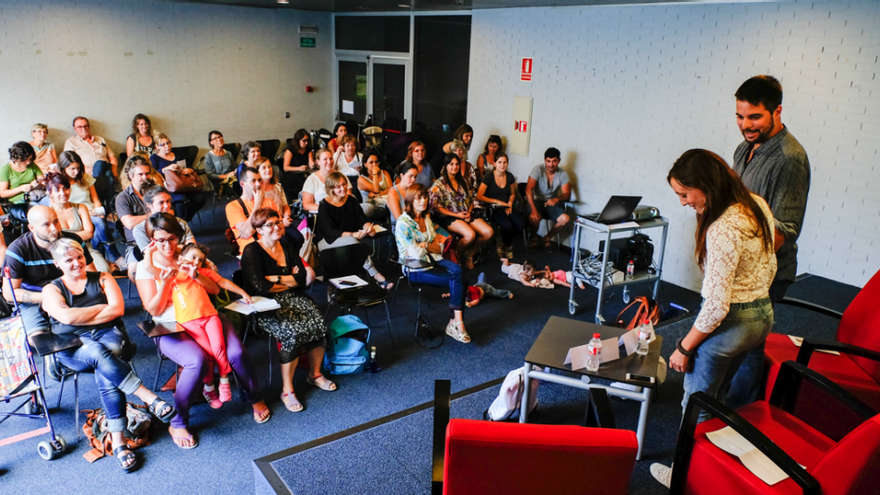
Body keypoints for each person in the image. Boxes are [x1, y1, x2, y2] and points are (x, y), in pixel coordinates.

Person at [650, 149, 778, 487]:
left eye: (684, 194)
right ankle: (718, 472)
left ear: (704, 185)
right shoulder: (756, 204)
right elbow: (770, 260)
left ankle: (685, 478)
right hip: (762, 315)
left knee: (697, 405)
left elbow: (716, 307)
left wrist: (684, 347)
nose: (682, 202)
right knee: (724, 399)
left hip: (731, 324)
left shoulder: (721, 228)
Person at [136, 213, 270, 448]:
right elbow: (154, 309)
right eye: (160, 240)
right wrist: (166, 283)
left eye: (172, 238)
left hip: (203, 315)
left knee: (236, 353)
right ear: (151, 240)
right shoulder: (146, 266)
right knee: (196, 361)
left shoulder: (191, 255)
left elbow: (215, 290)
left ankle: (254, 398)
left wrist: (195, 273)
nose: (167, 245)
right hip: (168, 325)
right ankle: (177, 422)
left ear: (179, 236)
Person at [41, 238, 175, 471]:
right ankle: (148, 397)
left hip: (109, 337)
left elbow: (118, 309)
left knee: (104, 361)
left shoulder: (104, 277)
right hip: (72, 348)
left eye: (80, 257)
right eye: (69, 260)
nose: (77, 263)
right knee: (97, 353)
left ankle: (120, 444)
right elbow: (67, 319)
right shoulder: (51, 289)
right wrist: (100, 310)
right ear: (57, 264)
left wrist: (78, 314)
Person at [724, 75, 813, 412]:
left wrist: (738, 261)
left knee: (748, 346)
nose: (745, 125)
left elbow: (782, 231)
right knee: (735, 341)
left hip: (768, 271)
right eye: (739, 116)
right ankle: (729, 404)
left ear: (777, 111)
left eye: (754, 117)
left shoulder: (790, 159)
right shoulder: (745, 147)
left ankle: (740, 416)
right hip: (739, 264)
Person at [241, 208, 335, 412]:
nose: (277, 227)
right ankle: (287, 390)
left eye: (278, 222)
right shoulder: (251, 251)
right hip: (264, 304)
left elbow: (301, 279)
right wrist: (288, 280)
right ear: (259, 230)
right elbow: (259, 286)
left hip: (293, 297)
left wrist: (275, 278)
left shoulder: (288, 246)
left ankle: (315, 374)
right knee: (291, 334)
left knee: (319, 324)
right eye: (270, 225)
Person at [143, 242, 252, 404]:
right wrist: (149, 252)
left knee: (219, 348)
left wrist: (242, 292)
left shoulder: (203, 272)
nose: (196, 262)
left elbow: (222, 283)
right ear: (180, 259)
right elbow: (150, 268)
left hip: (210, 317)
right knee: (208, 354)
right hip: (189, 322)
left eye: (200, 260)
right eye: (193, 257)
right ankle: (209, 388)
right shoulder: (172, 274)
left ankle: (223, 381)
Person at [2, 206, 96, 335]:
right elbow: (9, 293)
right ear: (32, 228)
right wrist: (51, 298)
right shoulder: (18, 250)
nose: (54, 229)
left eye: (56, 221)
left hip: (72, 292)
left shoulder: (73, 240)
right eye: (46, 224)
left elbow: (92, 274)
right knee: (37, 338)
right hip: (35, 299)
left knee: (92, 328)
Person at [395, 184, 468, 343]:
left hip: (432, 259)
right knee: (458, 280)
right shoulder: (403, 223)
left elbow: (440, 247)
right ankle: (457, 324)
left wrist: (426, 246)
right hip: (414, 267)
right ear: (410, 200)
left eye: (425, 197)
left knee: (459, 271)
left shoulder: (426, 218)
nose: (423, 201)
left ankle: (454, 322)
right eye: (419, 198)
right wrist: (429, 247)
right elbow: (415, 254)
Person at [316, 172, 393, 289]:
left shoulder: (351, 201)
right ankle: (377, 276)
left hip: (349, 239)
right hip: (327, 241)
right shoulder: (324, 205)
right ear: (331, 189)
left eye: (344, 184)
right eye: (338, 187)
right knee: (354, 243)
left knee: (353, 242)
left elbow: (362, 219)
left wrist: (368, 227)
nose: (343, 188)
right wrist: (352, 234)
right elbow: (329, 232)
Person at [58, 152, 126, 271]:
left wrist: (97, 211)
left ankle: (105, 260)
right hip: (76, 213)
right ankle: (116, 257)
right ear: (64, 168)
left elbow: (95, 199)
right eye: (72, 169)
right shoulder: (61, 183)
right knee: (99, 224)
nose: (76, 172)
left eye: (78, 168)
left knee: (99, 221)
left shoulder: (84, 177)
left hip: (92, 211)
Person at [429, 153, 493, 269]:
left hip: (465, 213)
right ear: (446, 166)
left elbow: (471, 200)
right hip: (449, 216)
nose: (454, 167)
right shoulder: (439, 184)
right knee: (470, 235)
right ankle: (454, 255)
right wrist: (457, 215)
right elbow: (436, 208)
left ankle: (469, 253)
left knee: (488, 232)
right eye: (451, 164)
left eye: (457, 164)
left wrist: (469, 212)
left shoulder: (463, 181)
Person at [45, 172, 116, 273]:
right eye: (57, 190)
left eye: (66, 188)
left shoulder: (81, 207)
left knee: (102, 271)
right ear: (50, 193)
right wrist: (77, 235)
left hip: (84, 249)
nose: (63, 193)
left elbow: (89, 233)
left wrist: (61, 236)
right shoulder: (48, 213)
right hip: (60, 253)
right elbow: (49, 239)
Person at [149, 133, 206, 222]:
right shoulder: (154, 158)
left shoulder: (177, 155)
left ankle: (184, 221)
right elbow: (153, 174)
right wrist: (166, 169)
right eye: (163, 144)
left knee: (200, 198)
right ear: (157, 147)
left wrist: (188, 170)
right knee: (181, 200)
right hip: (169, 188)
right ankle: (180, 223)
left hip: (183, 185)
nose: (167, 146)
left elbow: (188, 167)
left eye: (168, 143)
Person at [477, 152, 524, 258]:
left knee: (520, 223)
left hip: (506, 206)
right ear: (494, 163)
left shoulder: (510, 176)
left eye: (504, 162)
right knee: (507, 225)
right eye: (499, 162)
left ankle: (503, 240)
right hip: (493, 208)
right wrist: (496, 201)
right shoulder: (488, 177)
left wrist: (510, 203)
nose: (502, 165)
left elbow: (512, 194)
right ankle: (507, 245)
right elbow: (479, 196)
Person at [525, 147, 572, 253]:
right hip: (536, 200)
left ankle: (547, 237)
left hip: (551, 203)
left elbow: (567, 194)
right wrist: (533, 209)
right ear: (545, 160)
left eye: (554, 161)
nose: (551, 164)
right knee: (534, 217)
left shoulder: (563, 174)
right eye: (548, 161)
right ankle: (533, 237)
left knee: (565, 219)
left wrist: (557, 198)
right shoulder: (537, 169)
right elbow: (528, 190)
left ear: (559, 161)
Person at [63, 116, 118, 202]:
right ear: (75, 128)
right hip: (87, 171)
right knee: (108, 175)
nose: (84, 128)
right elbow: (69, 161)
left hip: (105, 165)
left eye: (86, 126)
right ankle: (109, 204)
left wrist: (114, 170)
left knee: (100, 164)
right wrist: (85, 169)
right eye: (80, 127)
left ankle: (98, 200)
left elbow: (112, 156)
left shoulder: (100, 139)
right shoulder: (71, 142)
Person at [116, 155, 155, 271]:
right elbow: (129, 223)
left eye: (147, 174)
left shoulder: (156, 191)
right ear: (130, 175)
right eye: (140, 174)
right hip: (135, 243)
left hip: (159, 237)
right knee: (133, 271)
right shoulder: (123, 198)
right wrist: (151, 214)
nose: (145, 177)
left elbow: (170, 213)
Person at [226, 166, 279, 251]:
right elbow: (248, 232)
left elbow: (280, 228)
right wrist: (258, 204)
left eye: (259, 180)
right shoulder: (233, 206)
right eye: (253, 181)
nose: (258, 184)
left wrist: (252, 227)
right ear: (243, 184)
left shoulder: (269, 201)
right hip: (252, 251)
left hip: (273, 247)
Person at [133, 185, 195, 251]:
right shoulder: (140, 229)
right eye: (161, 203)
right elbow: (151, 254)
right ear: (149, 205)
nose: (166, 206)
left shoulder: (180, 222)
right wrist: (182, 248)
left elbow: (192, 247)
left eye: (168, 201)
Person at [257, 158, 303, 249]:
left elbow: (285, 206)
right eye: (264, 167)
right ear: (257, 171)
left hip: (282, 220)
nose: (268, 169)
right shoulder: (257, 191)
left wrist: (285, 217)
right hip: (269, 225)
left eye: (269, 167)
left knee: (299, 238)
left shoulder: (277, 186)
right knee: (285, 242)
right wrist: (280, 223)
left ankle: (293, 259)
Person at [301, 149, 353, 213]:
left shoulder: (341, 176)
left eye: (331, 158)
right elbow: (306, 205)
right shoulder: (311, 179)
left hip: (341, 212)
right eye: (325, 159)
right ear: (318, 161)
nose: (329, 161)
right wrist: (327, 208)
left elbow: (348, 196)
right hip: (321, 214)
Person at [357, 150, 392, 220]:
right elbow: (375, 189)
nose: (374, 164)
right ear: (365, 164)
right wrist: (375, 173)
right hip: (371, 206)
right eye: (371, 162)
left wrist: (379, 194)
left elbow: (391, 189)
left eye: (376, 162)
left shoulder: (385, 173)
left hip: (385, 202)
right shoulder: (361, 179)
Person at [280, 129, 314, 199]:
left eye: (307, 140)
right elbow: (285, 168)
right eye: (304, 140)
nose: (306, 143)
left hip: (303, 173)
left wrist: (314, 164)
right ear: (298, 140)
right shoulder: (290, 150)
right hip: (291, 174)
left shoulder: (308, 149)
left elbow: (311, 163)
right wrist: (299, 168)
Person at [204, 130, 239, 197]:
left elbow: (234, 167)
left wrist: (234, 172)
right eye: (215, 138)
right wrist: (226, 176)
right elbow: (210, 174)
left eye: (220, 137)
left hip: (232, 178)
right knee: (237, 186)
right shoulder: (209, 156)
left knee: (247, 182)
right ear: (211, 142)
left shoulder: (228, 153)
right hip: (219, 183)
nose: (219, 139)